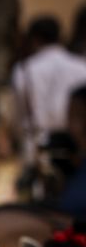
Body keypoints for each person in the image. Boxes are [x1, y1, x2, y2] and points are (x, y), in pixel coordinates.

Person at [12, 15, 86, 194]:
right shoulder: (81, 66)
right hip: (76, 149)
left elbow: (20, 116)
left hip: (39, 148)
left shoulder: (25, 69)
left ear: (34, 39)